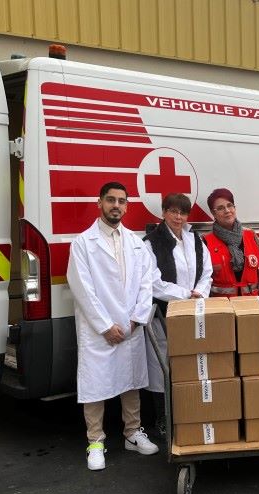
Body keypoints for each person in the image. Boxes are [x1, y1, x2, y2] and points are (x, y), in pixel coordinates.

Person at [67, 181, 159, 471]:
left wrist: (135, 319)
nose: (116, 205)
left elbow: (147, 284)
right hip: (99, 330)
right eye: (110, 200)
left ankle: (133, 433)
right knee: (96, 385)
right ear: (100, 203)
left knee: (130, 380)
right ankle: (95, 441)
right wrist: (105, 326)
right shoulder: (83, 243)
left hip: (130, 325)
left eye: (121, 201)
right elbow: (81, 288)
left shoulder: (136, 242)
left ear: (127, 206)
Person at [142, 192, 213, 435]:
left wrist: (200, 293)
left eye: (183, 212)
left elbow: (207, 272)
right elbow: (152, 282)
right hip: (163, 314)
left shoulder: (196, 240)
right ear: (163, 212)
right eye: (173, 211)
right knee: (162, 368)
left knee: (190, 366)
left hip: (193, 313)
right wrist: (185, 294)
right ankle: (163, 418)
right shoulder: (151, 242)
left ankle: (190, 414)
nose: (178, 217)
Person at [204, 188, 259, 297]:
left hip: (252, 305)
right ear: (213, 213)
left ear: (234, 208)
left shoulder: (251, 235)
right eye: (220, 208)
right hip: (223, 308)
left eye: (230, 205)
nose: (227, 210)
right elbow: (203, 280)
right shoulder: (206, 241)